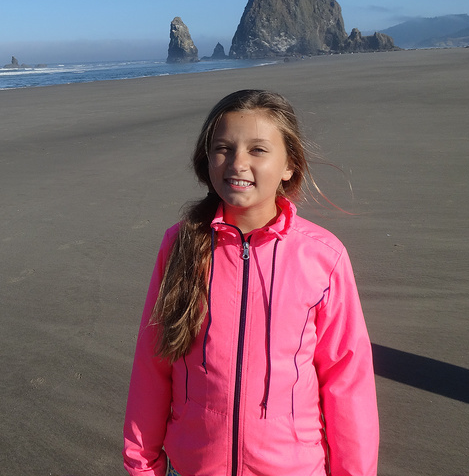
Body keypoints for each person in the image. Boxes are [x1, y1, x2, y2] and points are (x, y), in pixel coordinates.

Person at [123, 90, 378, 476]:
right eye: (223, 148)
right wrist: (142, 464)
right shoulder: (180, 244)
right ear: (207, 160)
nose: (238, 163)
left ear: (289, 165)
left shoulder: (322, 256)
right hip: (193, 466)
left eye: (258, 150)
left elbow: (347, 378)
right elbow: (153, 361)